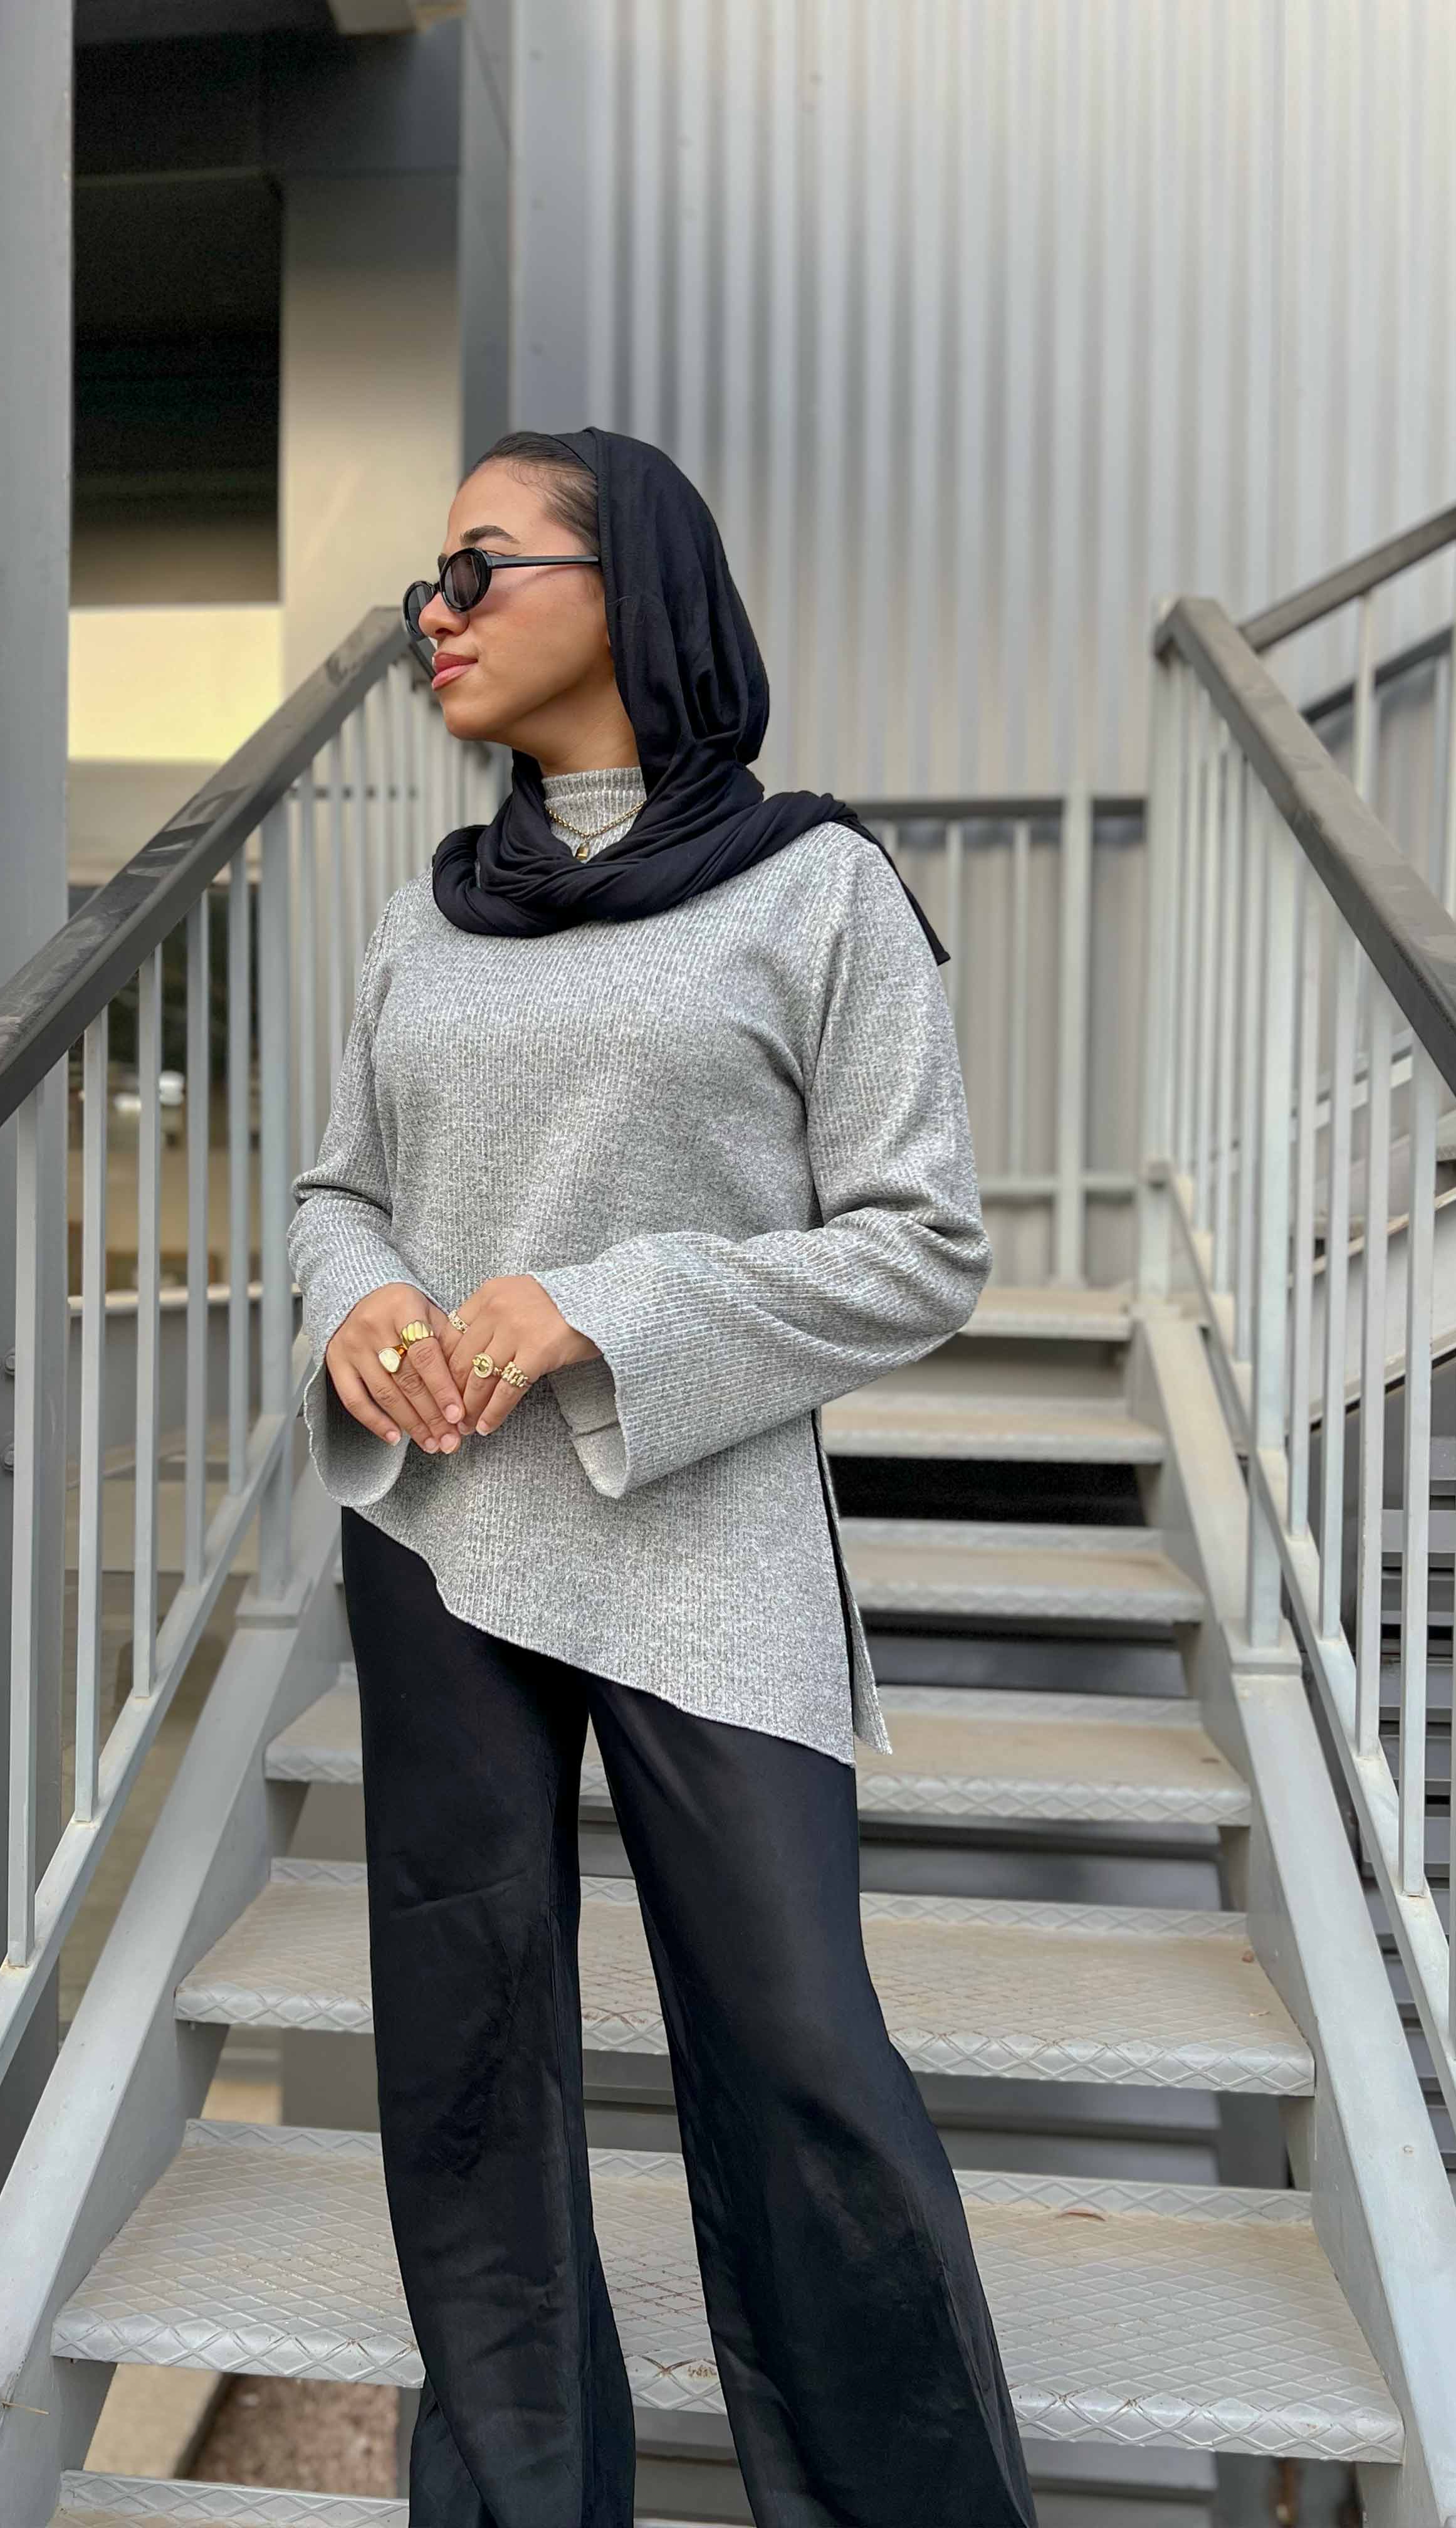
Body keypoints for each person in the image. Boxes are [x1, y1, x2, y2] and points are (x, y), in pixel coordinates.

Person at [287, 425, 1036, 2528]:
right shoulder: (429, 919)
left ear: (631, 594)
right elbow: (342, 1189)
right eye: (428, 583)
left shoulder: (816, 893)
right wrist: (353, 1303)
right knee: (467, 2063)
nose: (433, 616)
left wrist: (601, 1307)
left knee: (798, 2050)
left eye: (477, 571)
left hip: (695, 1531)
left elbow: (921, 1243)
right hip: (441, 1534)